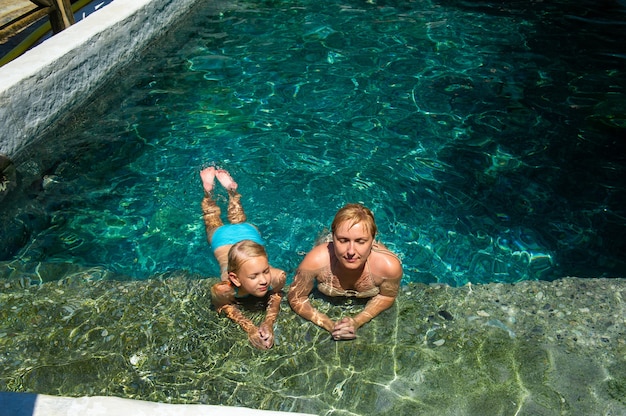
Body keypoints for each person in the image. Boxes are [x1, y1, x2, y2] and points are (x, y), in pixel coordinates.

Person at [288, 203, 402, 340]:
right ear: (334, 236)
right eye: (343, 240)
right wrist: (329, 324)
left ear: (372, 239)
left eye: (361, 241)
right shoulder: (315, 261)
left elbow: (387, 296)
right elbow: (296, 297)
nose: (351, 252)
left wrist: (357, 321)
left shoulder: (388, 267)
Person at [200, 167, 286, 350]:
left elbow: (276, 295)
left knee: (211, 217)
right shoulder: (225, 288)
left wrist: (268, 323)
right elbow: (224, 306)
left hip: (242, 235)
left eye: (265, 271)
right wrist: (249, 328)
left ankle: (209, 191)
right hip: (229, 237)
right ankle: (231, 192)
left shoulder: (275, 277)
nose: (264, 280)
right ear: (234, 278)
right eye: (254, 276)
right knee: (232, 218)